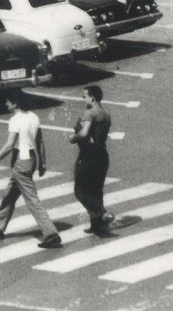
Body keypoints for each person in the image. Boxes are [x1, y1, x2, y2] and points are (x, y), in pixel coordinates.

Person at [0, 93, 62, 249]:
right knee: (10, 193)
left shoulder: (15, 120)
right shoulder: (33, 117)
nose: (6, 102)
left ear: (15, 103)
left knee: (32, 200)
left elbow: (9, 145)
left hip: (21, 161)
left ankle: (51, 234)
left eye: (8, 100)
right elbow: (40, 141)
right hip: (31, 159)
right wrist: (42, 163)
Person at [69, 85, 115, 234]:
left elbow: (84, 134)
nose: (83, 99)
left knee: (80, 190)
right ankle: (97, 226)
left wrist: (73, 138)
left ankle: (102, 212)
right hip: (103, 154)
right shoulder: (106, 115)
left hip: (89, 154)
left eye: (85, 97)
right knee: (96, 190)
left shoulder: (90, 113)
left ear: (93, 98)